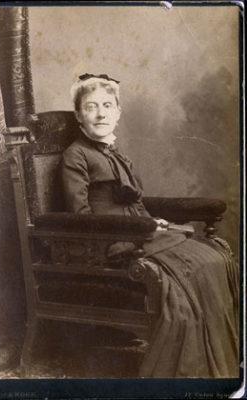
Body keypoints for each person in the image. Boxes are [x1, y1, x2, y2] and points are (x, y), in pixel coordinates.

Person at [62, 73, 239, 378]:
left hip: (137, 231)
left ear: (118, 112)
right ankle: (187, 368)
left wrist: (151, 220)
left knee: (209, 258)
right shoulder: (76, 154)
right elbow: (80, 214)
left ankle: (218, 355)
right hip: (110, 243)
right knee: (184, 272)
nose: (101, 113)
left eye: (107, 105)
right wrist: (138, 227)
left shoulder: (116, 153)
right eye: (91, 107)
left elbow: (136, 201)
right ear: (79, 115)